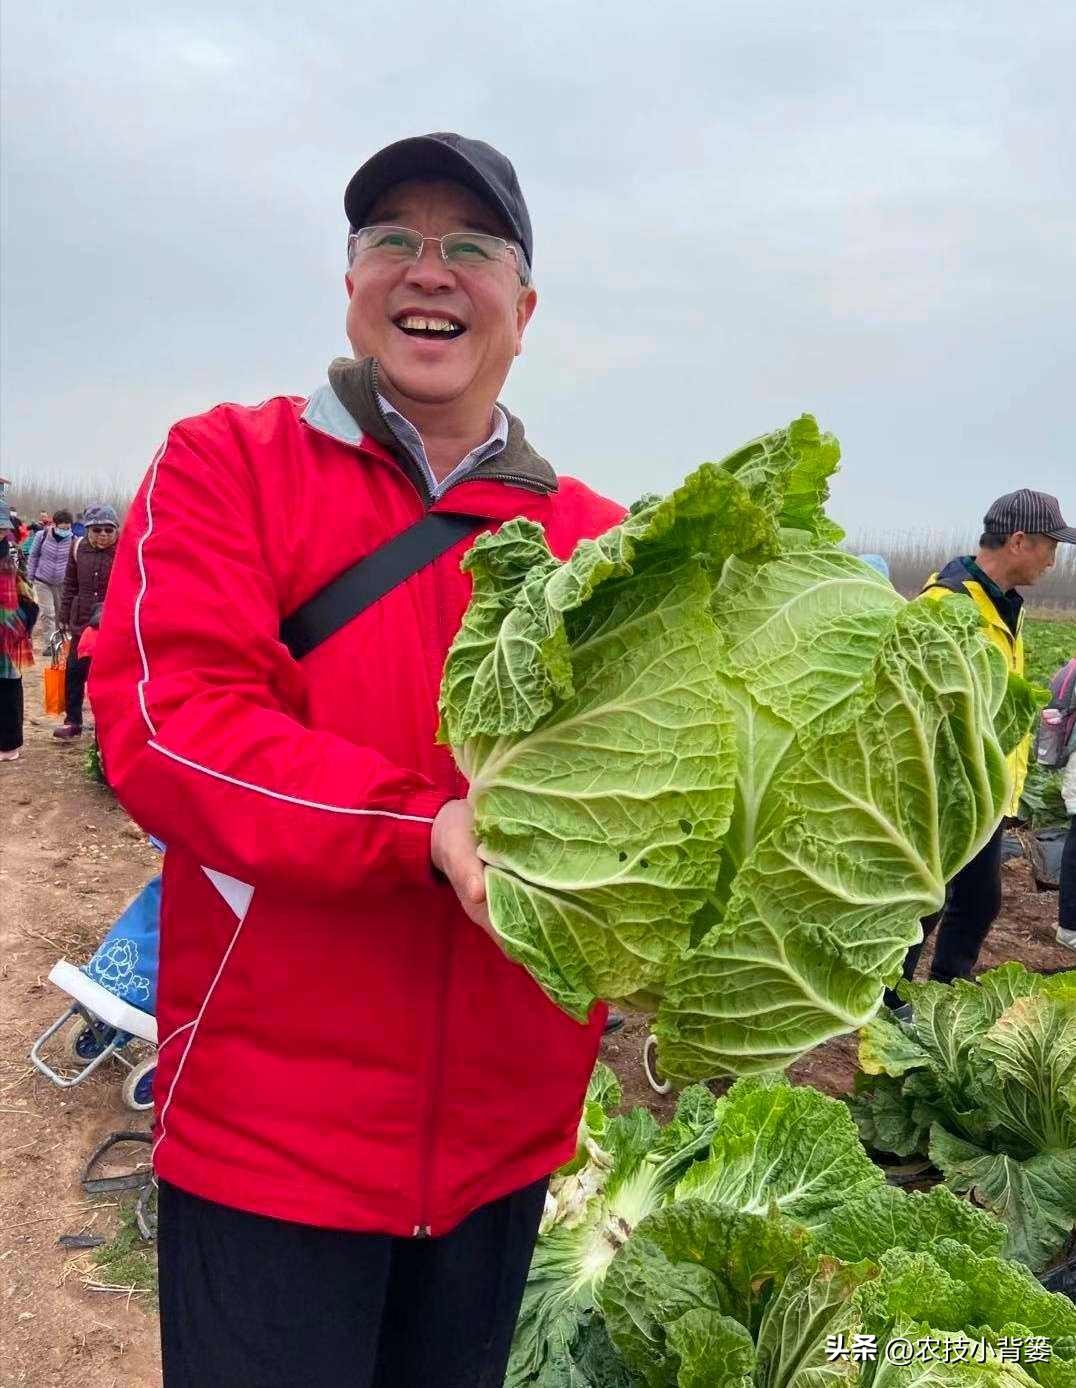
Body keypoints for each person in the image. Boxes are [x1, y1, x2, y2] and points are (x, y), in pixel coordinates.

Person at [90, 133, 625, 1388]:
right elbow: (174, 728)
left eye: (469, 248)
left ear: (523, 305)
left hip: (502, 1145)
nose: (425, 270)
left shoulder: (594, 542)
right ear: (350, 282)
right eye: (391, 239)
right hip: (273, 1138)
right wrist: (418, 829)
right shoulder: (228, 465)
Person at [884, 489, 1076, 1008]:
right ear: (1019, 541)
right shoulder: (948, 607)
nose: (1054, 559)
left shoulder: (1003, 606)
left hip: (985, 789)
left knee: (979, 899)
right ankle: (890, 993)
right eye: (1050, 546)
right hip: (947, 790)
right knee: (926, 899)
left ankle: (947, 988)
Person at [54, 504, 119, 740]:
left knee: (107, 678)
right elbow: (70, 584)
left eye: (108, 530)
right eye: (97, 530)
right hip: (81, 622)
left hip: (112, 625)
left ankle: (107, 726)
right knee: (74, 673)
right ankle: (73, 721)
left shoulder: (125, 550)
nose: (103, 535)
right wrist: (63, 617)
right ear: (87, 530)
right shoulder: (77, 548)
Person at [1, 504, 36, 762]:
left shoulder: (11, 553)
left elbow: (20, 587)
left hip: (9, 623)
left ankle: (9, 743)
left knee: (9, 682)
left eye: (2, 528)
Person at [27, 508, 75, 647]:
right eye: (62, 528)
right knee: (48, 613)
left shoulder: (73, 540)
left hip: (62, 583)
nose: (65, 530)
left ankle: (59, 643)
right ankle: (49, 644)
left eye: (68, 528)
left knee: (60, 614)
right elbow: (34, 556)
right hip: (42, 580)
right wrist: (30, 577)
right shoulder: (41, 536)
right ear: (54, 525)